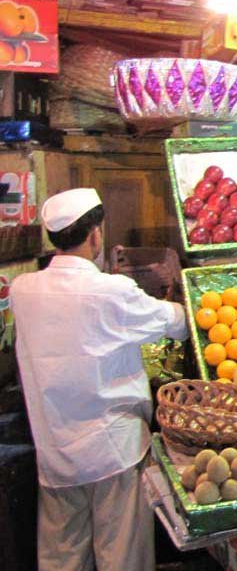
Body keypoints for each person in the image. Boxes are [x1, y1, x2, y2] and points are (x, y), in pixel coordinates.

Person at [11, 188, 188, 571]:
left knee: (61, 558)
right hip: (114, 451)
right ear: (95, 234)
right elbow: (176, 323)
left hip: (55, 452)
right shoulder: (111, 290)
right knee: (122, 557)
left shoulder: (22, 290)